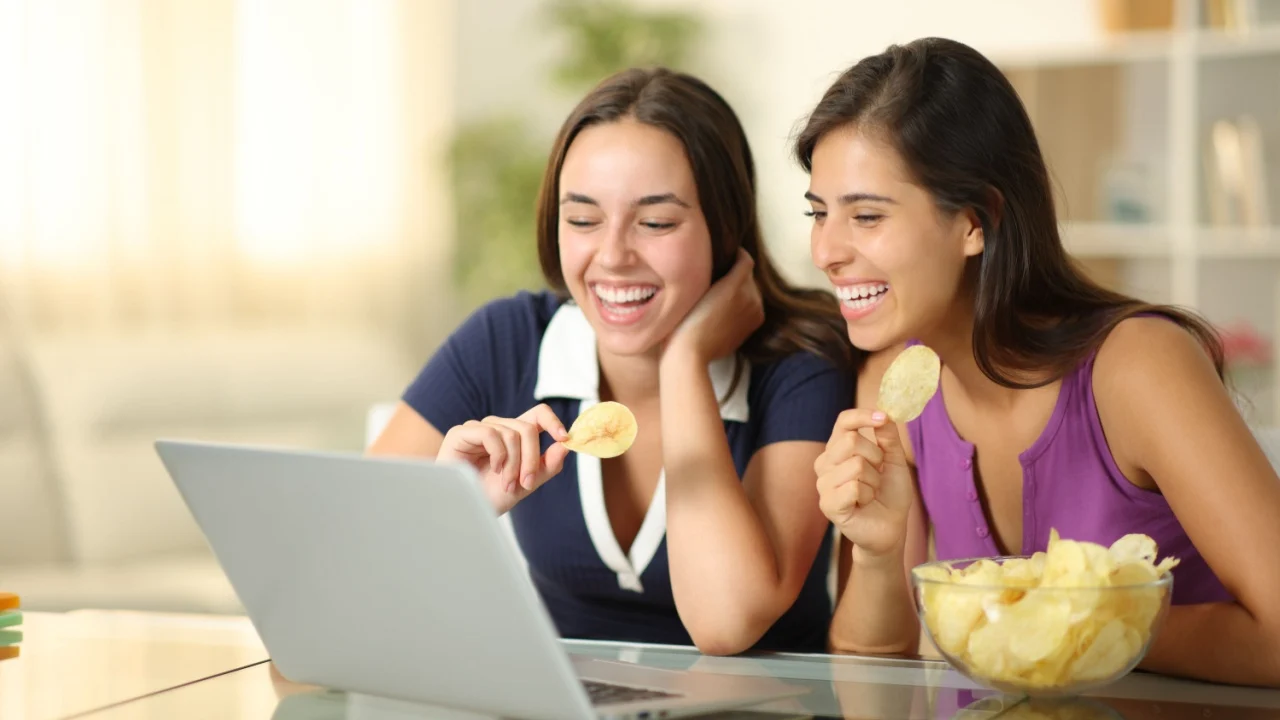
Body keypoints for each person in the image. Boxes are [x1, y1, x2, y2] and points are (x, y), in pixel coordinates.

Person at [799, 38, 1280, 685]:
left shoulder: (1139, 367)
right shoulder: (895, 389)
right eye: (819, 213)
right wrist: (878, 553)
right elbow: (870, 679)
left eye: (865, 215)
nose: (826, 251)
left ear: (976, 221)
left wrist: (1052, 616)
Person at [369, 67, 857, 655]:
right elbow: (342, 570)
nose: (613, 256)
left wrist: (684, 362)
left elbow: (727, 622)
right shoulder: (507, 341)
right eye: (582, 220)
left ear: (724, 228)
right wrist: (456, 510)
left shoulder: (803, 361)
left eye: (655, 223)